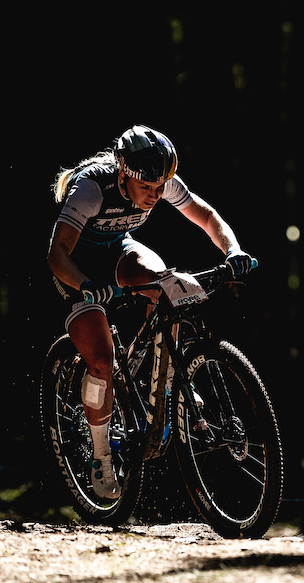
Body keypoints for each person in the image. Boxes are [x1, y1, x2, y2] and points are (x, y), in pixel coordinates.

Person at [47, 125, 254, 498]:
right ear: (124, 172)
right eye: (147, 189)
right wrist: (86, 285)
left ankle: (168, 380)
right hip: (76, 268)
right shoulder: (92, 188)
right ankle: (101, 454)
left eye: (161, 189)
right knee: (102, 361)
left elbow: (205, 216)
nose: (155, 196)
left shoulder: (159, 178)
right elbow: (56, 254)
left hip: (116, 251)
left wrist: (233, 250)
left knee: (169, 286)